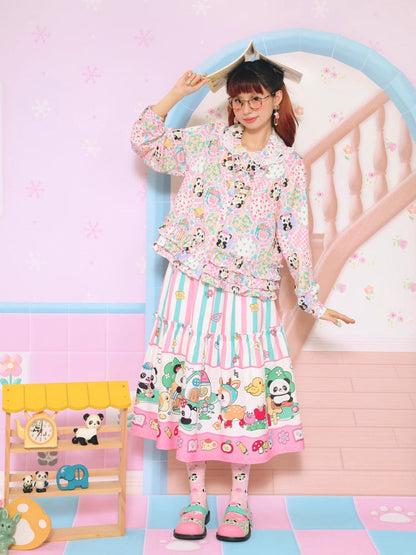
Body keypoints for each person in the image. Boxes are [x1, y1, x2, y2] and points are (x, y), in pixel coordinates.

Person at [130, 58, 355, 543]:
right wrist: (175, 94)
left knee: (242, 391)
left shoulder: (287, 166)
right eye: (238, 100)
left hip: (250, 290)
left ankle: (238, 502)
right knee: (192, 387)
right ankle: (196, 500)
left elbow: (293, 237)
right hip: (191, 281)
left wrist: (312, 300)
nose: (247, 108)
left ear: (277, 100)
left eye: (256, 98)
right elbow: (146, 144)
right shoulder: (208, 143)